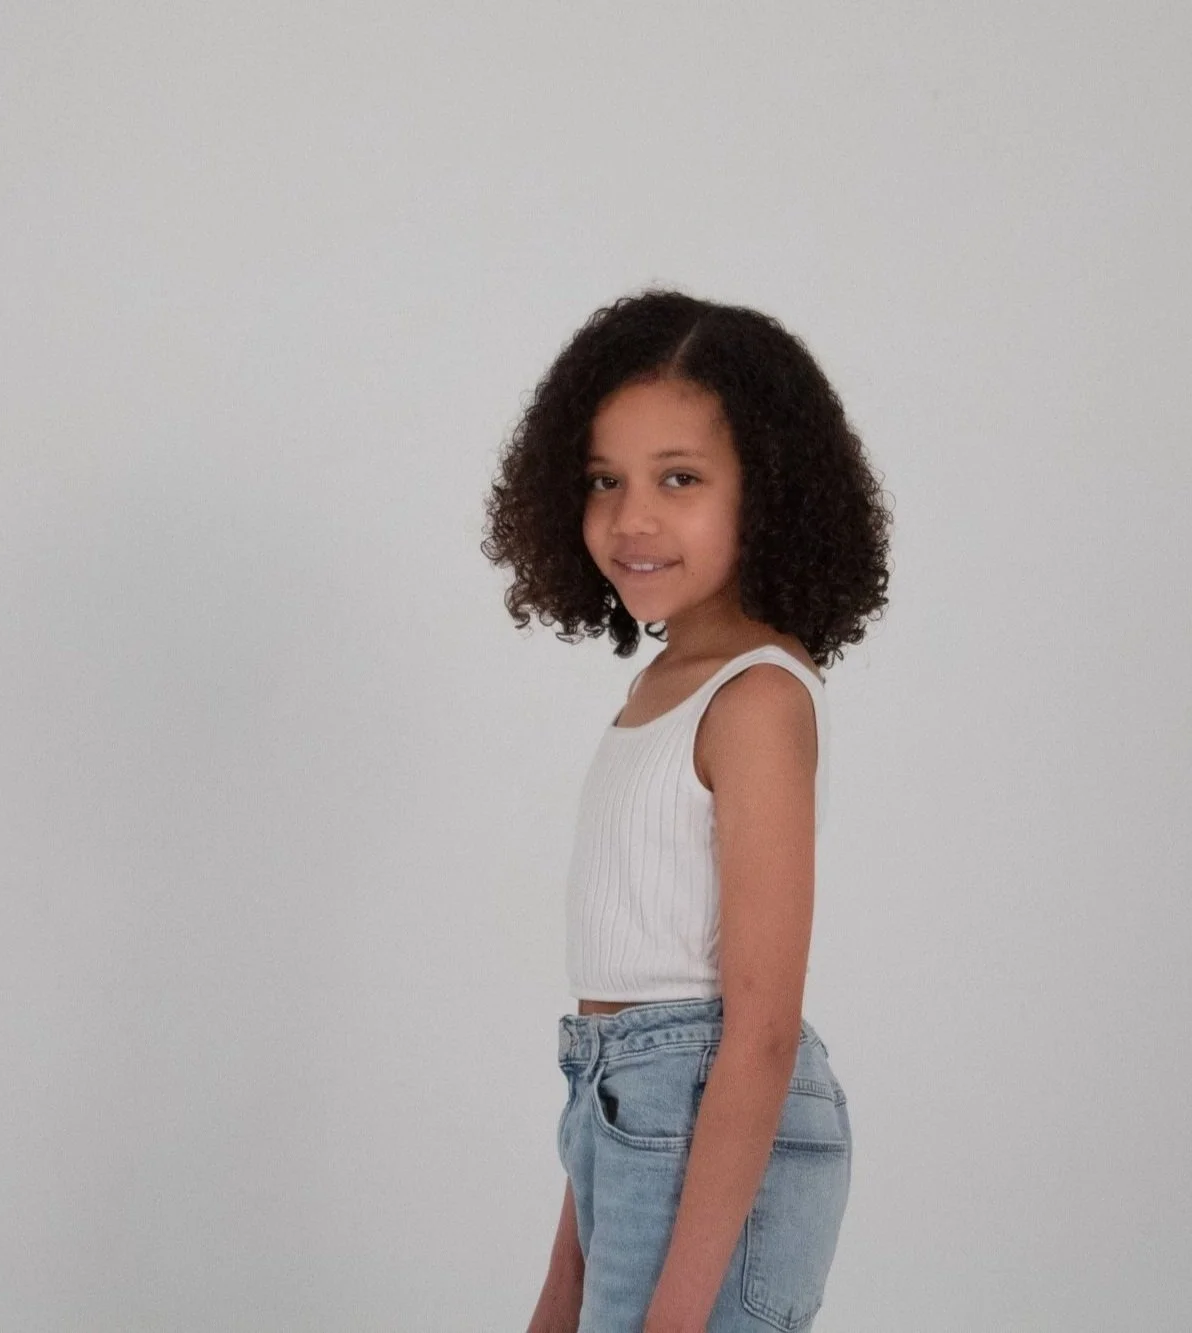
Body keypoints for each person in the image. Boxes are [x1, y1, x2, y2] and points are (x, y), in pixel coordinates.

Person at [482, 288, 892, 1333]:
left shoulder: (753, 698)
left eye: (679, 478)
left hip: (715, 1126)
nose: (632, 519)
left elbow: (752, 1033)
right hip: (630, 1111)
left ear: (769, 492)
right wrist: (561, 1288)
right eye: (604, 481)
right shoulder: (663, 688)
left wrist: (671, 1319)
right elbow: (623, 1053)